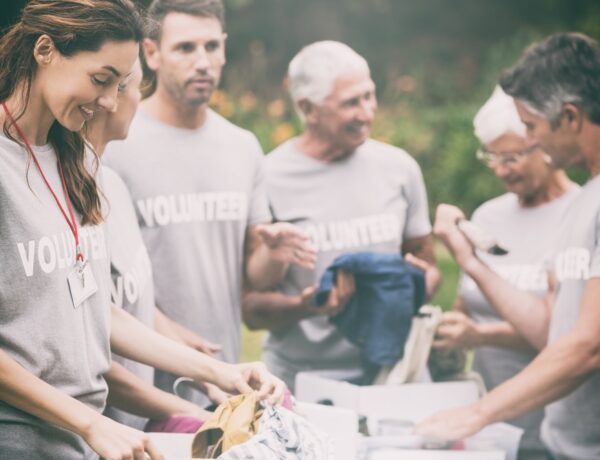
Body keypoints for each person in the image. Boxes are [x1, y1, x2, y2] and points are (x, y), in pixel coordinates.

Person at [0, 2, 285, 458]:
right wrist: (89, 422)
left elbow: (97, 309)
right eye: (101, 79)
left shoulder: (71, 160)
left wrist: (222, 373)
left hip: (80, 445)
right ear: (45, 50)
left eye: (119, 84)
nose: (111, 101)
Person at [104, 0, 314, 407]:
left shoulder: (243, 146)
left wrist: (273, 253)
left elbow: (257, 279)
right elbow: (106, 287)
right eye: (185, 48)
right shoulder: (117, 141)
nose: (202, 62)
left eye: (211, 47)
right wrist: (169, 340)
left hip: (225, 382)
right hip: (136, 387)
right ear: (151, 53)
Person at [416, 32, 600, 460]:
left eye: (533, 128)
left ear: (571, 117)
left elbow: (589, 346)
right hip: (561, 446)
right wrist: (470, 261)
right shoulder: (584, 201)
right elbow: (553, 334)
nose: (531, 141)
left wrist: (477, 414)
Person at [242, 41, 441, 390]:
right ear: (308, 108)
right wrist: (307, 306)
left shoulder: (399, 168)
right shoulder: (268, 176)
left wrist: (411, 284)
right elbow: (252, 308)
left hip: (392, 374)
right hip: (302, 380)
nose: (367, 112)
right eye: (351, 103)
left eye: (369, 95)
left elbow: (429, 269)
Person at [432, 86, 579, 458]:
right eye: (492, 157)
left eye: (511, 157)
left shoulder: (579, 215)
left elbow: (559, 335)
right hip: (487, 422)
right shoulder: (488, 216)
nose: (501, 169)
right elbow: (469, 304)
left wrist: (482, 335)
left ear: (541, 142)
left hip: (552, 422)